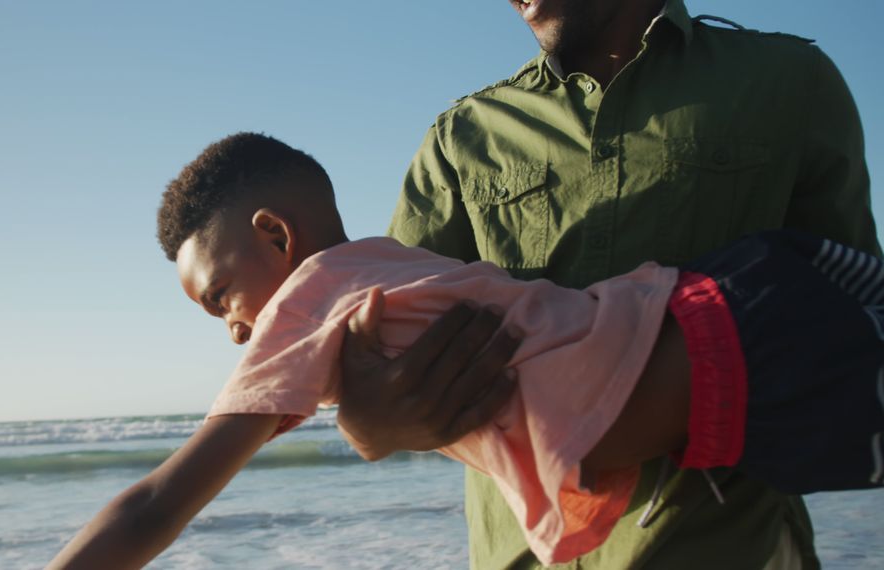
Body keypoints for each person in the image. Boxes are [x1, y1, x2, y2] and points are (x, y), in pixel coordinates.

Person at [46, 133, 884, 569]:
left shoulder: (307, 299)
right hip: (743, 338)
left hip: (748, 351)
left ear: (274, 235)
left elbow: (158, 504)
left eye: (220, 298)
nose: (234, 330)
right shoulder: (392, 268)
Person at [334, 0, 881, 568]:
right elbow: (387, 337)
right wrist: (369, 424)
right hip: (521, 554)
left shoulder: (787, 81)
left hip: (728, 546)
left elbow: (853, 320)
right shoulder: (463, 136)